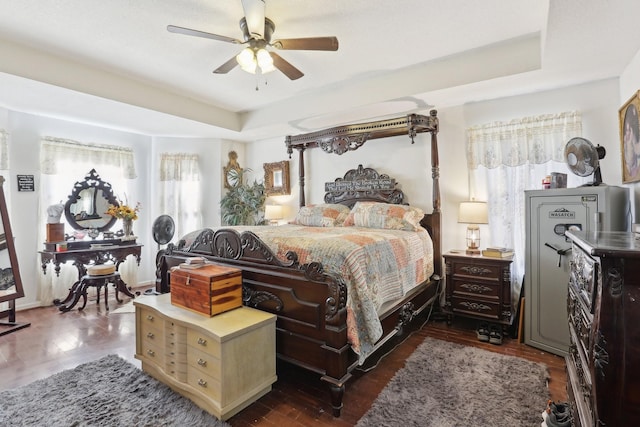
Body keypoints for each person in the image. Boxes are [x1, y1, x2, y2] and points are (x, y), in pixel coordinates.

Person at [623, 103, 640, 180]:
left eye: (630, 130)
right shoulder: (627, 144)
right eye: (626, 130)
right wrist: (629, 144)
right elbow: (630, 161)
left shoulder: (636, 145)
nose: (628, 133)